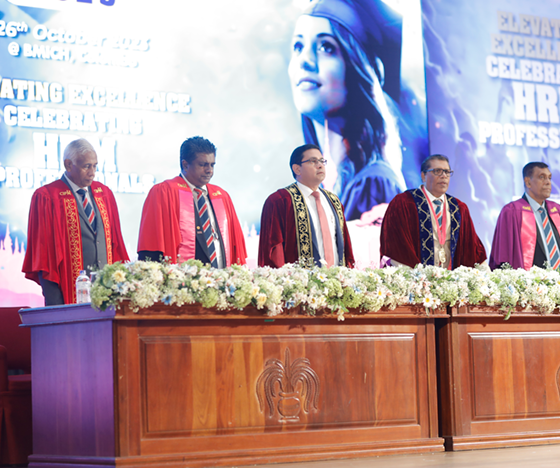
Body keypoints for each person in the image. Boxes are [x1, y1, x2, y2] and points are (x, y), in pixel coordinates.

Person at [288, 0, 426, 222]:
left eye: (326, 47)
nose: (305, 60)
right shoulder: (327, 186)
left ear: (357, 70)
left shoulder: (372, 185)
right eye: (298, 46)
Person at [22, 138, 129, 305]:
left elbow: (116, 247)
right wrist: (56, 307)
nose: (92, 172)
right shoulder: (47, 197)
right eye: (86, 166)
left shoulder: (104, 194)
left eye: (95, 166)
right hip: (68, 295)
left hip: (106, 295)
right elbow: (44, 257)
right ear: (68, 165)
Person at [137, 136, 246, 266]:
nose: (209, 170)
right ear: (185, 165)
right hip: (181, 276)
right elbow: (152, 244)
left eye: (212, 165)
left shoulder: (222, 196)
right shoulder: (164, 192)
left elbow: (235, 247)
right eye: (203, 165)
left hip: (221, 275)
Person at [380, 154, 486, 269]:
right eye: (437, 171)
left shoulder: (459, 208)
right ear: (423, 176)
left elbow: (473, 248)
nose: (444, 176)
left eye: (447, 172)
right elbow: (396, 245)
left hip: (451, 277)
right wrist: (416, 275)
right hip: (416, 277)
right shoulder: (404, 203)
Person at [258, 144, 354, 268]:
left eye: (322, 161)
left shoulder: (333, 201)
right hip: (298, 278)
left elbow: (345, 246)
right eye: (313, 161)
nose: (320, 165)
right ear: (297, 169)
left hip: (336, 277)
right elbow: (273, 253)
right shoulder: (280, 201)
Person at [489, 162, 560, 270]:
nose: (548, 182)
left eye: (549, 178)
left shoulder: (556, 210)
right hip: (530, 279)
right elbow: (503, 256)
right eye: (542, 177)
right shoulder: (512, 212)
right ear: (528, 182)